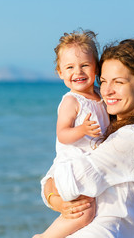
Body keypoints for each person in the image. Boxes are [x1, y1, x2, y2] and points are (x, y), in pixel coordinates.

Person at [41, 39, 134, 237]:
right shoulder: (116, 129)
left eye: (118, 82)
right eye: (104, 81)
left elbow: (67, 183)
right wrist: (53, 189)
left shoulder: (132, 139)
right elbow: (64, 175)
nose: (107, 91)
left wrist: (51, 189)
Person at [33, 30, 110, 238]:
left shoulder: (100, 95)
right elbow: (62, 134)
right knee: (83, 212)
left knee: (84, 213)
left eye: (85, 65)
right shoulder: (71, 101)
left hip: (88, 167)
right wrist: (82, 130)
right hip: (71, 167)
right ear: (60, 72)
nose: (78, 72)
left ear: (96, 67)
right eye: (70, 67)